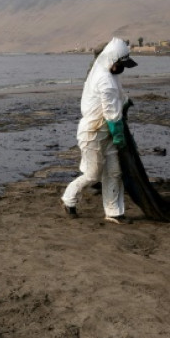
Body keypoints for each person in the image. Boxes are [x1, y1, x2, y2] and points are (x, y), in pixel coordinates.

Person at [60, 37, 136, 224]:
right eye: (120, 63)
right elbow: (111, 113)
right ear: (111, 59)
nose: (122, 68)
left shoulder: (109, 75)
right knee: (93, 174)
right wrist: (119, 135)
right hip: (92, 132)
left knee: (114, 172)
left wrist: (125, 105)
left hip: (107, 131)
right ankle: (68, 198)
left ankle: (114, 212)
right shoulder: (104, 79)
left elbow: (118, 100)